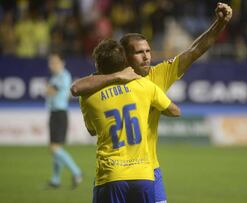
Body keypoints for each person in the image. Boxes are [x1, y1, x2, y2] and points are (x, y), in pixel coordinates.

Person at [71, 2, 232, 202]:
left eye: (148, 51)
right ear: (125, 57)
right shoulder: (107, 81)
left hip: (149, 170)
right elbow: (77, 88)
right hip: (123, 171)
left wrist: (219, 24)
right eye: (140, 52)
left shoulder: (157, 75)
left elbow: (194, 51)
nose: (147, 57)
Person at [80, 39, 181, 203]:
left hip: (111, 174)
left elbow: (92, 130)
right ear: (124, 62)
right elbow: (175, 111)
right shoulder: (144, 86)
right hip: (144, 175)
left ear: (98, 65)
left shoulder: (88, 95)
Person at [46, 52, 82, 189]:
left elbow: (50, 91)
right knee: (55, 148)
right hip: (55, 113)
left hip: (59, 114)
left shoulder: (63, 76)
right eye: (50, 62)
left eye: (54, 62)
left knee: (54, 148)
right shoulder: (56, 77)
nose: (51, 65)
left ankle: (77, 172)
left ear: (62, 63)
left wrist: (48, 88)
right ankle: (55, 180)